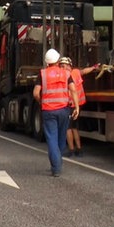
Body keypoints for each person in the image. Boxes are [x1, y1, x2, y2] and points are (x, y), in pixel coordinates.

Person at [33, 48, 80, 177]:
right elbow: (73, 90)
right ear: (58, 61)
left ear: (47, 62)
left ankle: (56, 167)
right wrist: (76, 107)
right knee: (60, 138)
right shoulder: (66, 74)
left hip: (48, 111)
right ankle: (57, 163)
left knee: (51, 139)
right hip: (64, 111)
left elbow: (36, 93)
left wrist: (42, 101)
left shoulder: (42, 74)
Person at [61, 57, 97, 157]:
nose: (62, 68)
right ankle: (79, 149)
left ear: (68, 66)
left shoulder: (66, 76)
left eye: (63, 66)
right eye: (61, 66)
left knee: (68, 128)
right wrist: (93, 67)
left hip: (71, 105)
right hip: (79, 105)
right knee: (74, 127)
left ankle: (71, 150)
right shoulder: (76, 72)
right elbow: (84, 71)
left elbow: (69, 91)